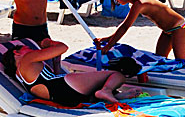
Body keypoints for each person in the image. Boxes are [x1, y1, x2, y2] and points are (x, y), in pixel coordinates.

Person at [3, 38, 139, 105]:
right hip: (65, 85)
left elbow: (52, 78)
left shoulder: (20, 74)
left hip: (62, 97)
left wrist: (56, 61)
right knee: (116, 75)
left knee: (95, 89)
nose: (32, 50)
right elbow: (63, 47)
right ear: (17, 52)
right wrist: (50, 43)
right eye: (28, 48)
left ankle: (116, 95)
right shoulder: (27, 58)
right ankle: (107, 91)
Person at [96, 0, 185, 60]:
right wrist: (108, 39)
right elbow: (123, 26)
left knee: (181, 61)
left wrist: (109, 46)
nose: (116, 0)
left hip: (179, 27)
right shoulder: (137, 1)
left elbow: (125, 26)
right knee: (159, 58)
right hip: (167, 30)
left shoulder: (139, 3)